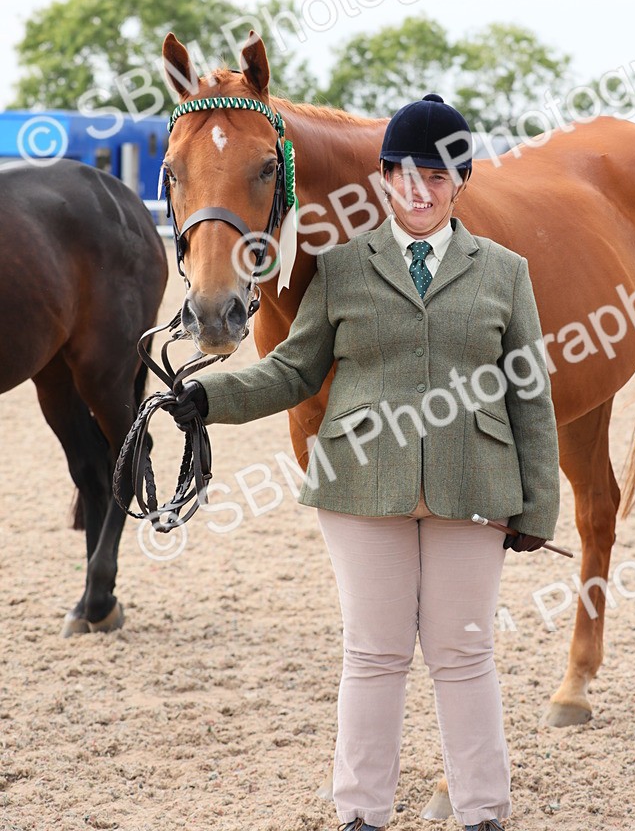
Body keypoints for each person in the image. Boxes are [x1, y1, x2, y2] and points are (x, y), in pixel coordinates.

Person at [167, 93, 560, 831]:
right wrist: (208, 400)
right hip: (359, 487)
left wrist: (537, 506)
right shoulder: (341, 267)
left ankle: (484, 813)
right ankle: (361, 815)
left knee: (464, 656)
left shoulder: (505, 272)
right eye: (405, 173)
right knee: (374, 656)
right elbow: (291, 371)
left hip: (472, 485)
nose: (420, 189)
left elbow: (529, 395)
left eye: (437, 176)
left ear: (459, 184)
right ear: (383, 180)